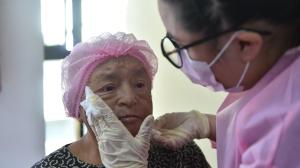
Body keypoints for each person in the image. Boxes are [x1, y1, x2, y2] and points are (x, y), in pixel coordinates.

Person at [91, 1, 300, 168]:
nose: (129, 98)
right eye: (108, 88)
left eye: (182, 44)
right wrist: (209, 124)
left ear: (245, 44)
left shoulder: (280, 139)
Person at [32, 32, 210, 168]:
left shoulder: (180, 152)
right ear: (79, 107)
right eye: (108, 88)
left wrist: (212, 125)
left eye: (140, 85)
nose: (130, 98)